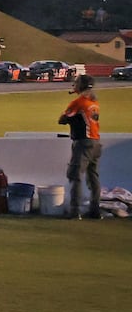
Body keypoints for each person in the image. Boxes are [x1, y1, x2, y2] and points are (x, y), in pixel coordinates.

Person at [58, 75, 102, 219]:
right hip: (96, 142)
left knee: (75, 176)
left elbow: (62, 119)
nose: (74, 85)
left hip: (83, 143)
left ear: (80, 86)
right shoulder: (94, 103)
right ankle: (95, 210)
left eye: (76, 83)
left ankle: (74, 210)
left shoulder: (79, 102)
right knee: (93, 177)